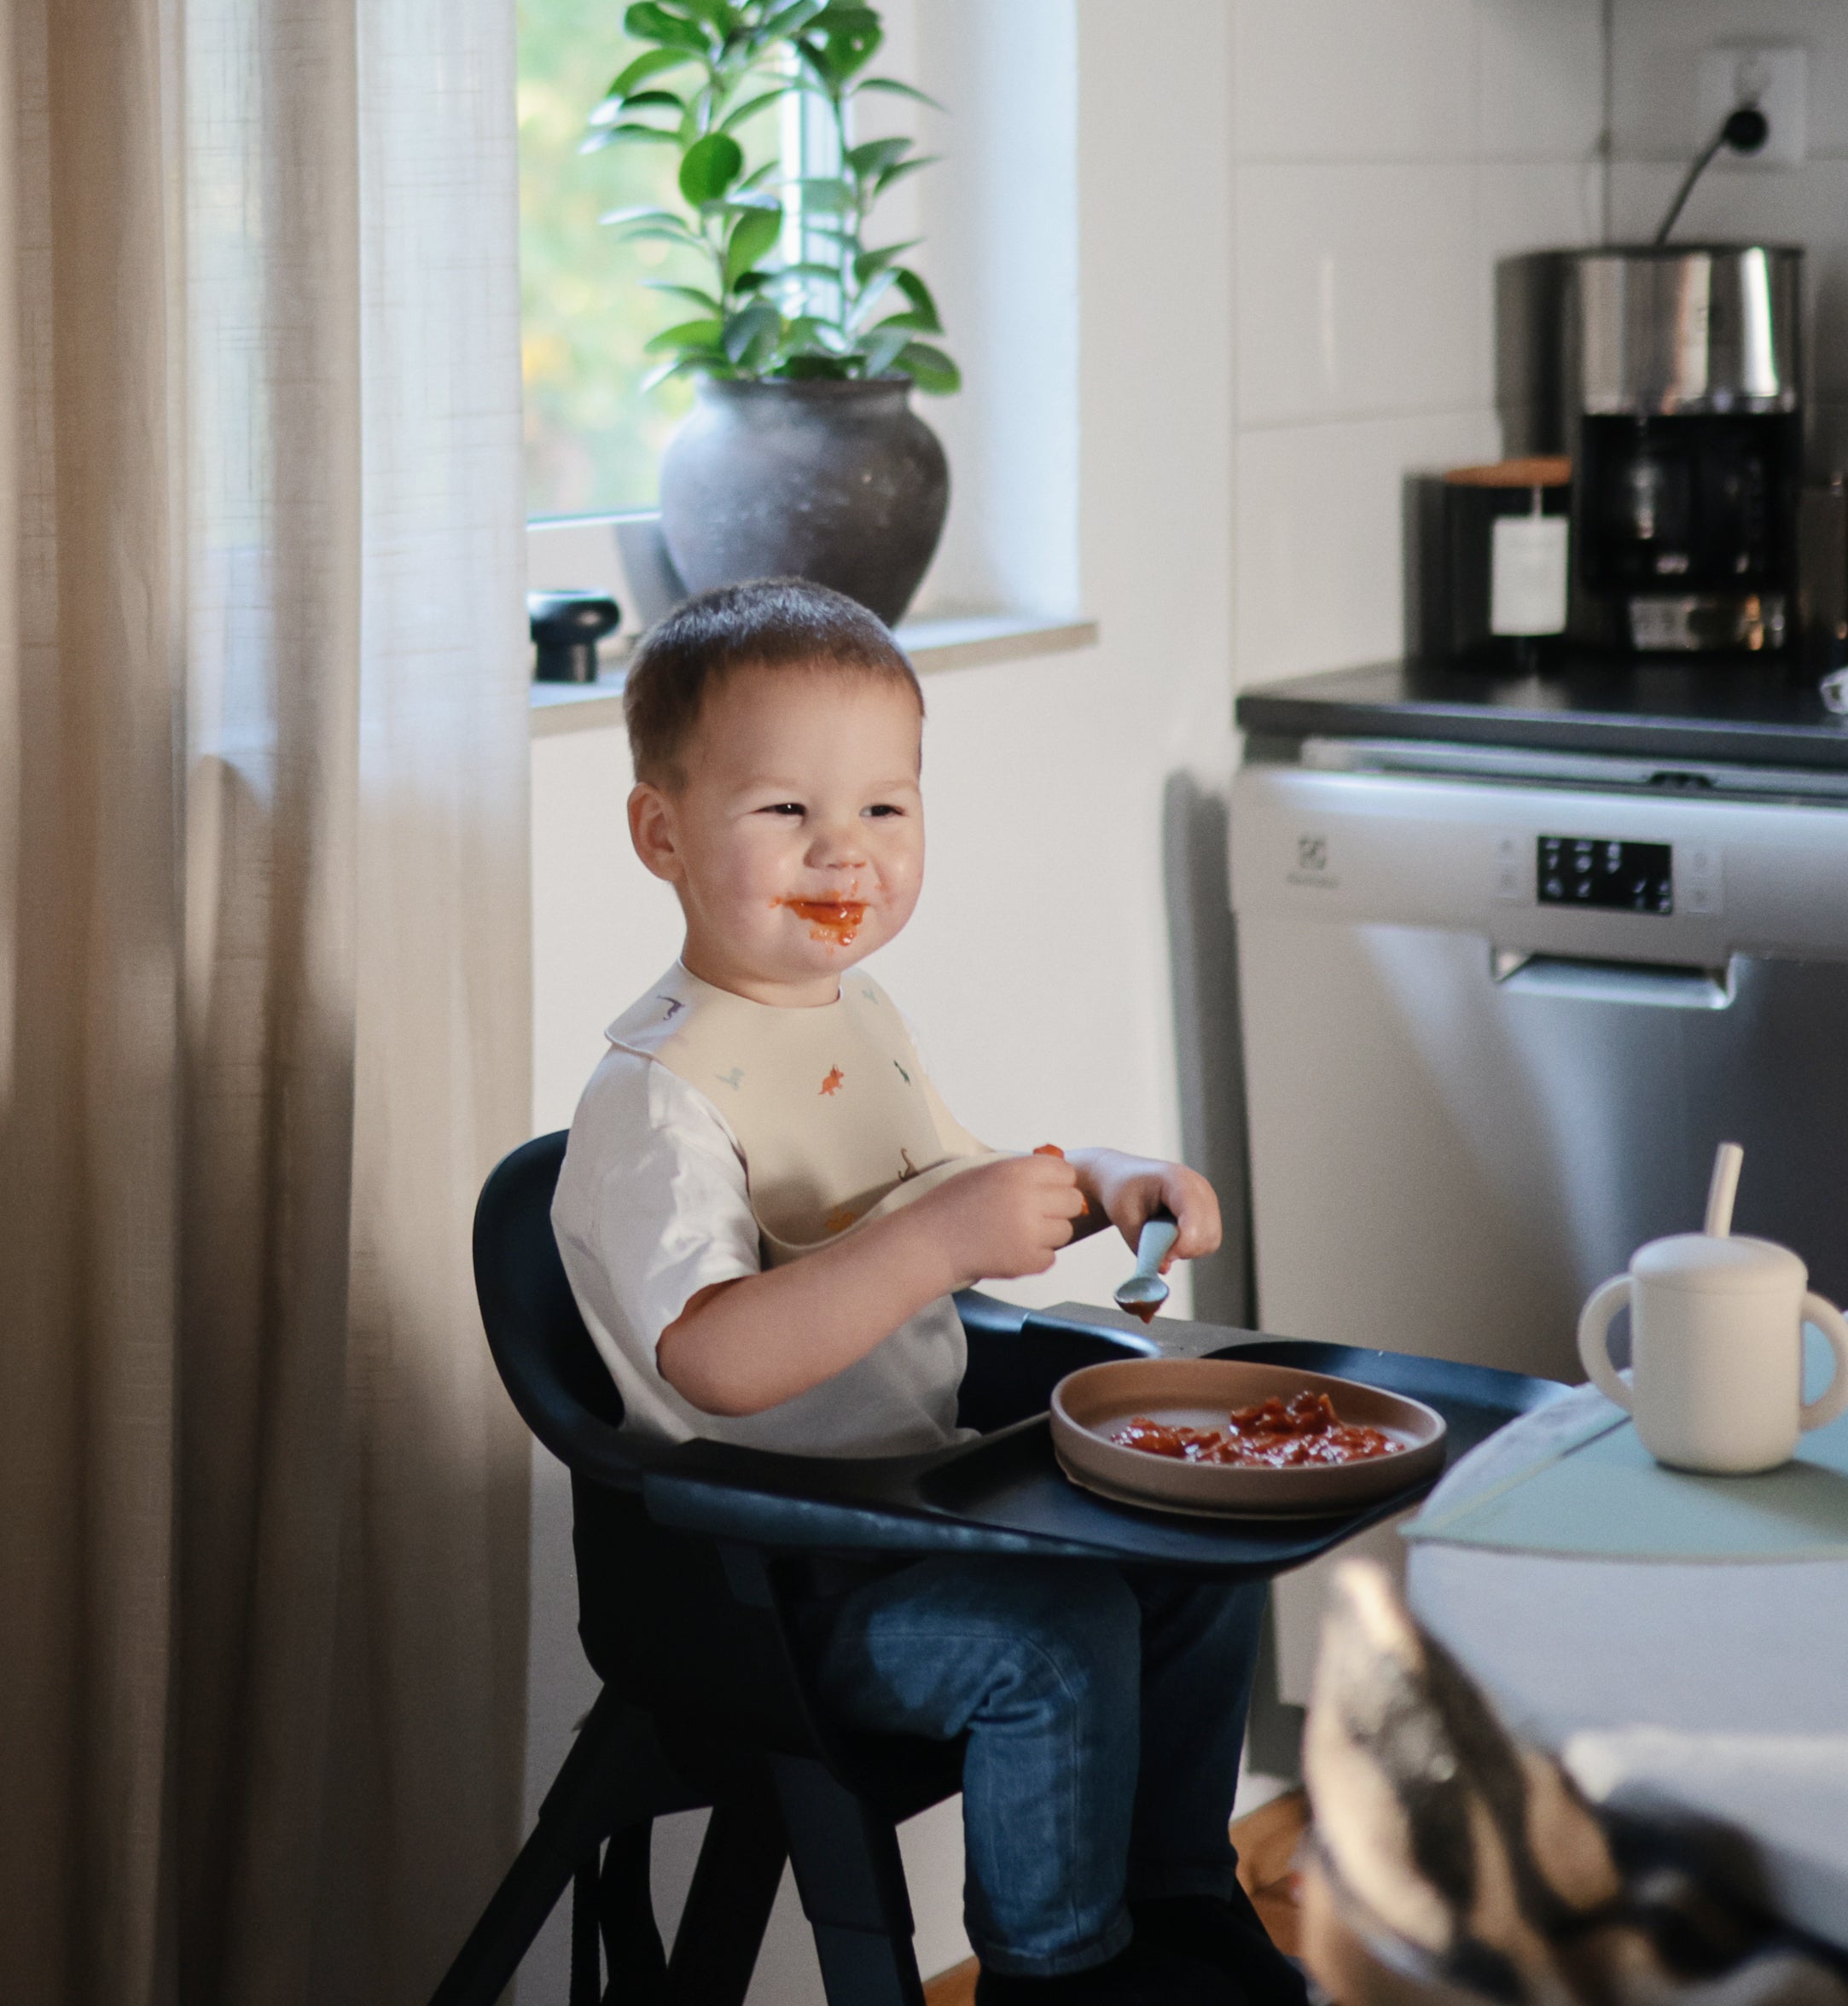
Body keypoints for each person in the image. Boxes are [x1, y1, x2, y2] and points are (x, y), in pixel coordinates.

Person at [552, 578, 1299, 2006]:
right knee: (1062, 1639)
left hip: (917, 1506)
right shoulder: (654, 1103)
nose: (846, 852)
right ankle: (1061, 1974)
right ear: (663, 834)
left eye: (885, 810)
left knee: (1197, 1558)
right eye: (785, 813)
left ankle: (1179, 1915)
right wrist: (934, 1244)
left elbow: (951, 1196)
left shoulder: (852, 1017)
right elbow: (713, 1357)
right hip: (774, 1584)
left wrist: (1105, 1178)